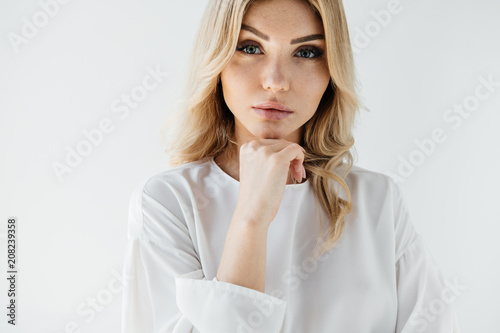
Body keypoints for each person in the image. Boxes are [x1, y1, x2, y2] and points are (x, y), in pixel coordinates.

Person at [121, 0, 461, 332]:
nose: (276, 81)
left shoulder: (378, 200)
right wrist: (250, 219)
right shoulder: (167, 202)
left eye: (307, 52)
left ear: (332, 69)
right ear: (217, 60)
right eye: (250, 47)